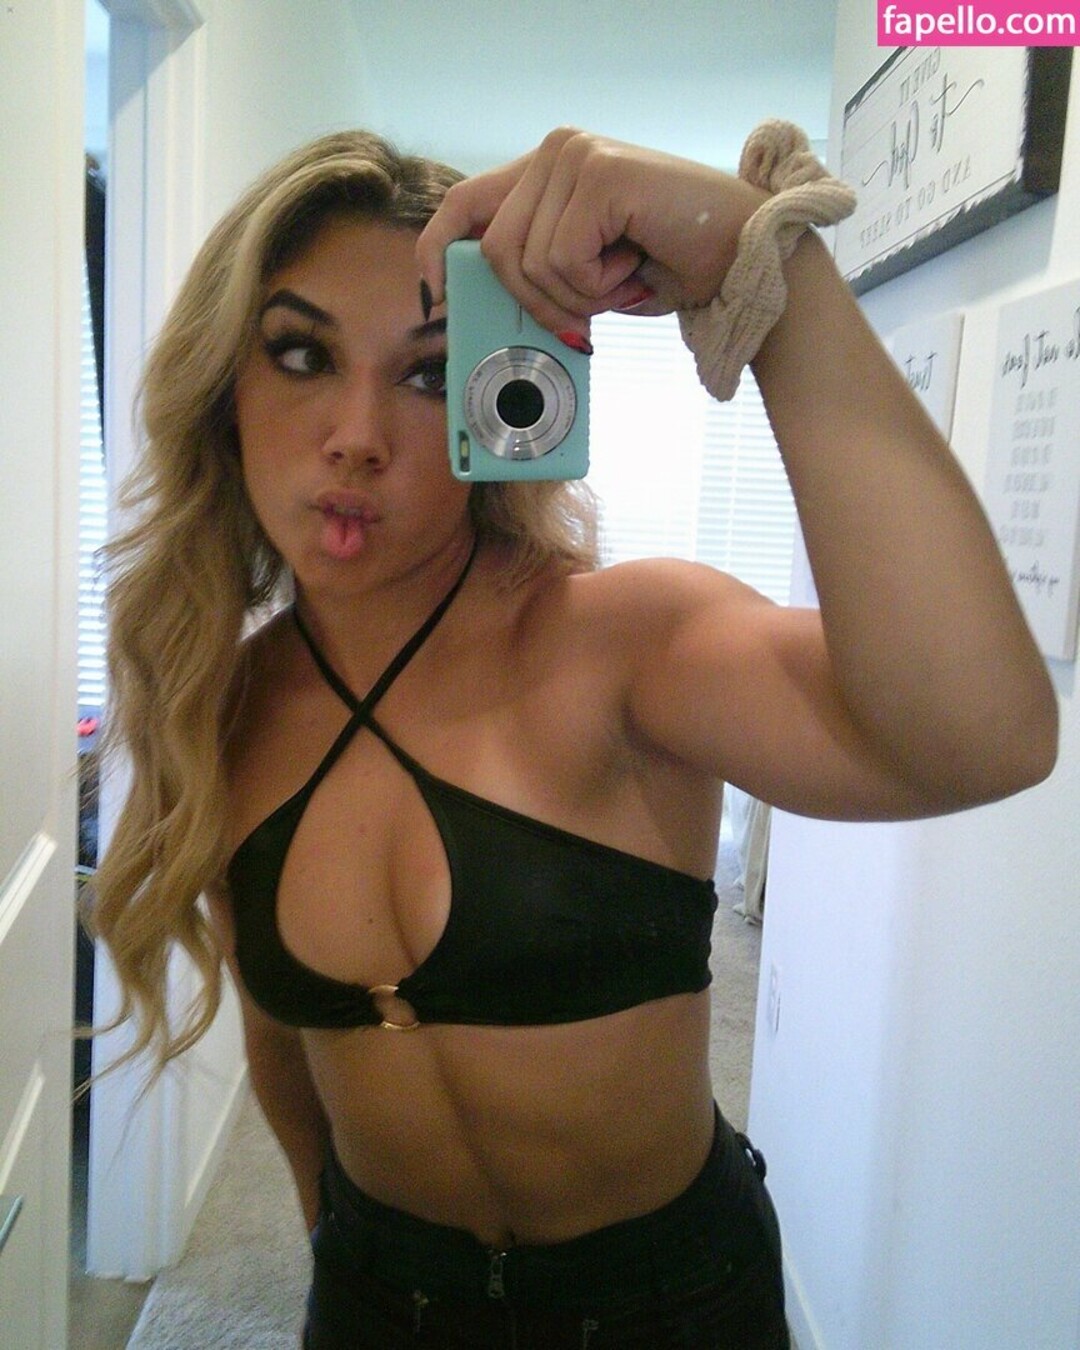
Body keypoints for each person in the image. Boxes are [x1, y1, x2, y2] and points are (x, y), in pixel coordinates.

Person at [87, 122, 1058, 1350]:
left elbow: (981, 737)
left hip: (670, 1307)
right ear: (224, 390)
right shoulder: (218, 706)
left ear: (500, 390)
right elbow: (287, 1046)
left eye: (429, 372)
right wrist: (335, 1248)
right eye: (300, 354)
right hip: (378, 1296)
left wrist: (763, 268)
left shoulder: (625, 646)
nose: (357, 435)